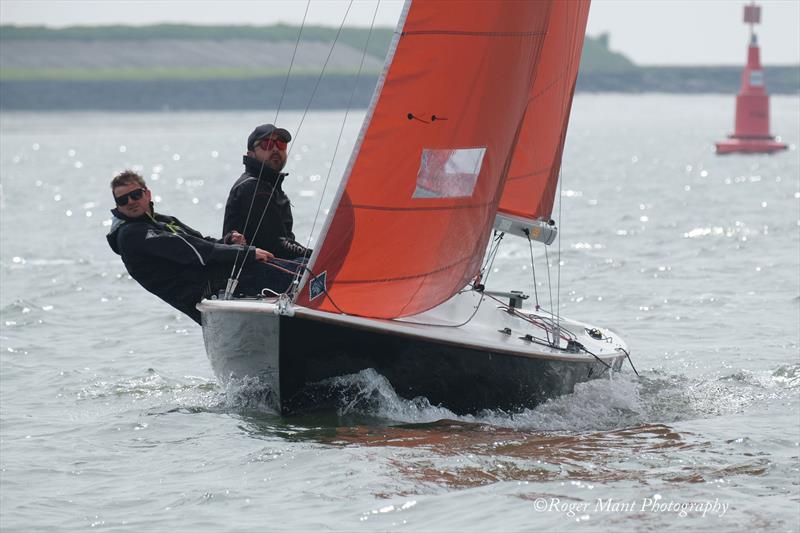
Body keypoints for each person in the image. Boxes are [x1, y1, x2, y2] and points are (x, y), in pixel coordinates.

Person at [106, 170, 299, 324]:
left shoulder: (163, 221)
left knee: (301, 265)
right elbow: (190, 251)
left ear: (147, 194)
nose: (131, 202)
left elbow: (201, 241)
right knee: (299, 276)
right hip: (207, 292)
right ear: (117, 206)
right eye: (123, 200)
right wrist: (246, 254)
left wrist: (228, 241)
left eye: (135, 195)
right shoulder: (131, 235)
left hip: (221, 282)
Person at [223, 124, 312, 261]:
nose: (276, 149)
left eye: (281, 144)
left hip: (272, 266)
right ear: (251, 154)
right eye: (267, 144)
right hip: (254, 274)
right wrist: (316, 255)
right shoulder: (254, 188)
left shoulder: (269, 186)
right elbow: (276, 245)